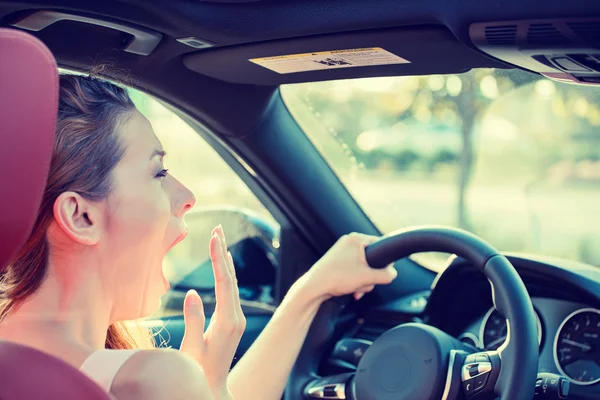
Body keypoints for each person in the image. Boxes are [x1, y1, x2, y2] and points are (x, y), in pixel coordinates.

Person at [0, 74, 398, 400]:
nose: (187, 198)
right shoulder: (147, 380)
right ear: (81, 215)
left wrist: (308, 293)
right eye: (158, 173)